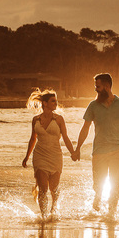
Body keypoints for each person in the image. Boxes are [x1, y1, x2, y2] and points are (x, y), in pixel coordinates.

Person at [74, 73, 119, 217]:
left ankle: (111, 214)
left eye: (98, 86)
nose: (96, 89)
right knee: (98, 185)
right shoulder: (93, 106)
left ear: (107, 86)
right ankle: (97, 206)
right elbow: (85, 128)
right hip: (99, 151)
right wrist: (77, 148)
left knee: (115, 184)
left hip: (117, 151)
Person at [21, 89, 76, 218]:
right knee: (43, 188)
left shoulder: (59, 119)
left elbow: (66, 138)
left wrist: (73, 152)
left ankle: (54, 210)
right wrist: (26, 157)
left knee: (54, 188)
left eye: (56, 101)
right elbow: (33, 139)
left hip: (55, 156)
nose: (55, 103)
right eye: (53, 101)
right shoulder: (35, 120)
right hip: (40, 156)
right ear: (44, 103)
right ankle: (44, 216)